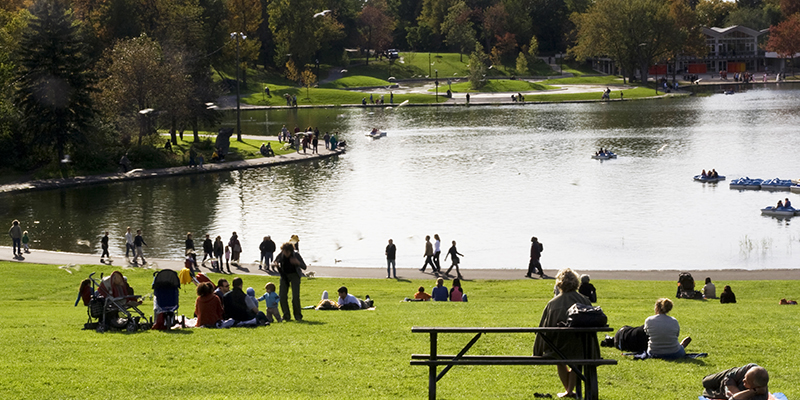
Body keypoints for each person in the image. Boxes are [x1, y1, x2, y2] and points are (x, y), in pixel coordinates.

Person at [533, 268, 600, 398]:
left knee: (560, 359)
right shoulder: (584, 301)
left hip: (558, 347)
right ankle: (569, 390)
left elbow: (543, 329)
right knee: (577, 358)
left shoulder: (553, 304)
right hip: (581, 347)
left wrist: (537, 351)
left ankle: (568, 390)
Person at [273, 242, 307, 321]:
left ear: (291, 251)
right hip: (284, 276)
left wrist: (297, 262)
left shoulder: (296, 255)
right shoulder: (281, 254)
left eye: (287, 252)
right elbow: (275, 261)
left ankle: (298, 316)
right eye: (284, 251)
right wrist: (275, 264)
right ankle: (286, 315)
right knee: (282, 296)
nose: (285, 254)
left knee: (295, 297)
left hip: (295, 275)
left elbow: (304, 267)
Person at [702, 364, 769, 400]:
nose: (743, 380)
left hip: (724, 392)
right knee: (705, 382)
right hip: (725, 378)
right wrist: (737, 393)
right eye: (744, 377)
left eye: (747, 382)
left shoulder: (760, 397)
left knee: (706, 393)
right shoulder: (749, 368)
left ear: (754, 386)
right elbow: (729, 377)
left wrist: (752, 391)